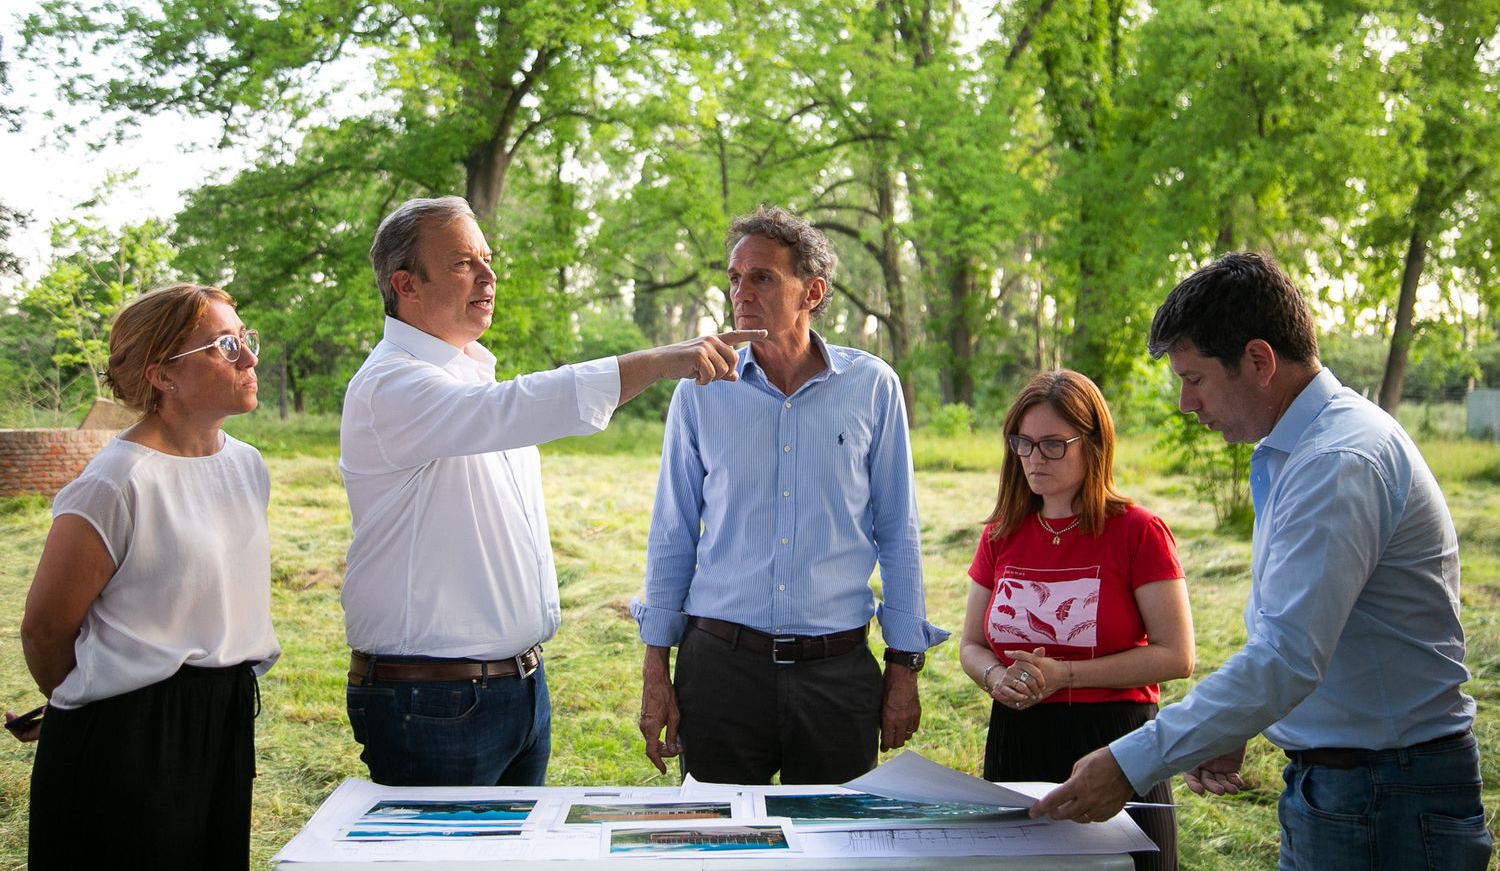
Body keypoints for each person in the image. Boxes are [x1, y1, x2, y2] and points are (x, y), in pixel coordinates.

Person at [1032, 252, 1492, 871]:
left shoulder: (1337, 461)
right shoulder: (1302, 451)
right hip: (1355, 786)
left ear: (1258, 361)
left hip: (1385, 797)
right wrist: (1234, 725)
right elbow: (1307, 637)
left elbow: (1286, 655)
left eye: (1194, 378)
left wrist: (1130, 761)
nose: (1185, 403)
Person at [340, 195, 763, 787]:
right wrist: (662, 360)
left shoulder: (468, 377)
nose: (489, 277)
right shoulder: (392, 385)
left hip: (514, 688)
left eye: (487, 259)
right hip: (432, 701)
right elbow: (512, 408)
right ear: (406, 284)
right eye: (464, 263)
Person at [632, 206, 948, 785]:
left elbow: (899, 530)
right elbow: (673, 531)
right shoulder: (700, 392)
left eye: (761, 277)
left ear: (813, 291)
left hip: (837, 674)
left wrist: (904, 665)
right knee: (722, 851)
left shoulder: (872, 386)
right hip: (720, 670)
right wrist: (657, 669)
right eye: (734, 277)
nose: (740, 292)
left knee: (838, 850)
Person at [15, 283, 279, 868]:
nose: (250, 358)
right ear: (164, 376)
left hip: (225, 714)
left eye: (246, 339)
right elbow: (44, 629)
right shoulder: (115, 483)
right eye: (225, 346)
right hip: (130, 733)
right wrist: (85, 700)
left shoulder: (246, 465)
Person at [960, 369, 1192, 870]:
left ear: (1094, 445)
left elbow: (1177, 656)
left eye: (1052, 445)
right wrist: (997, 677)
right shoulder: (1000, 534)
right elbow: (972, 645)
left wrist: (1066, 675)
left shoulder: (1138, 531)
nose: (1034, 459)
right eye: (1022, 443)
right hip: (1018, 737)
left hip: (1116, 739)